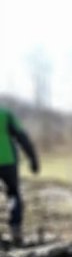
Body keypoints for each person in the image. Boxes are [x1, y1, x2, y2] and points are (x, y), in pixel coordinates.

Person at [0, 105, 39, 245]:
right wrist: (33, 158)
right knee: (13, 194)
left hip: (8, 162)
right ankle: (15, 229)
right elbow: (22, 137)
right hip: (8, 162)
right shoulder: (5, 114)